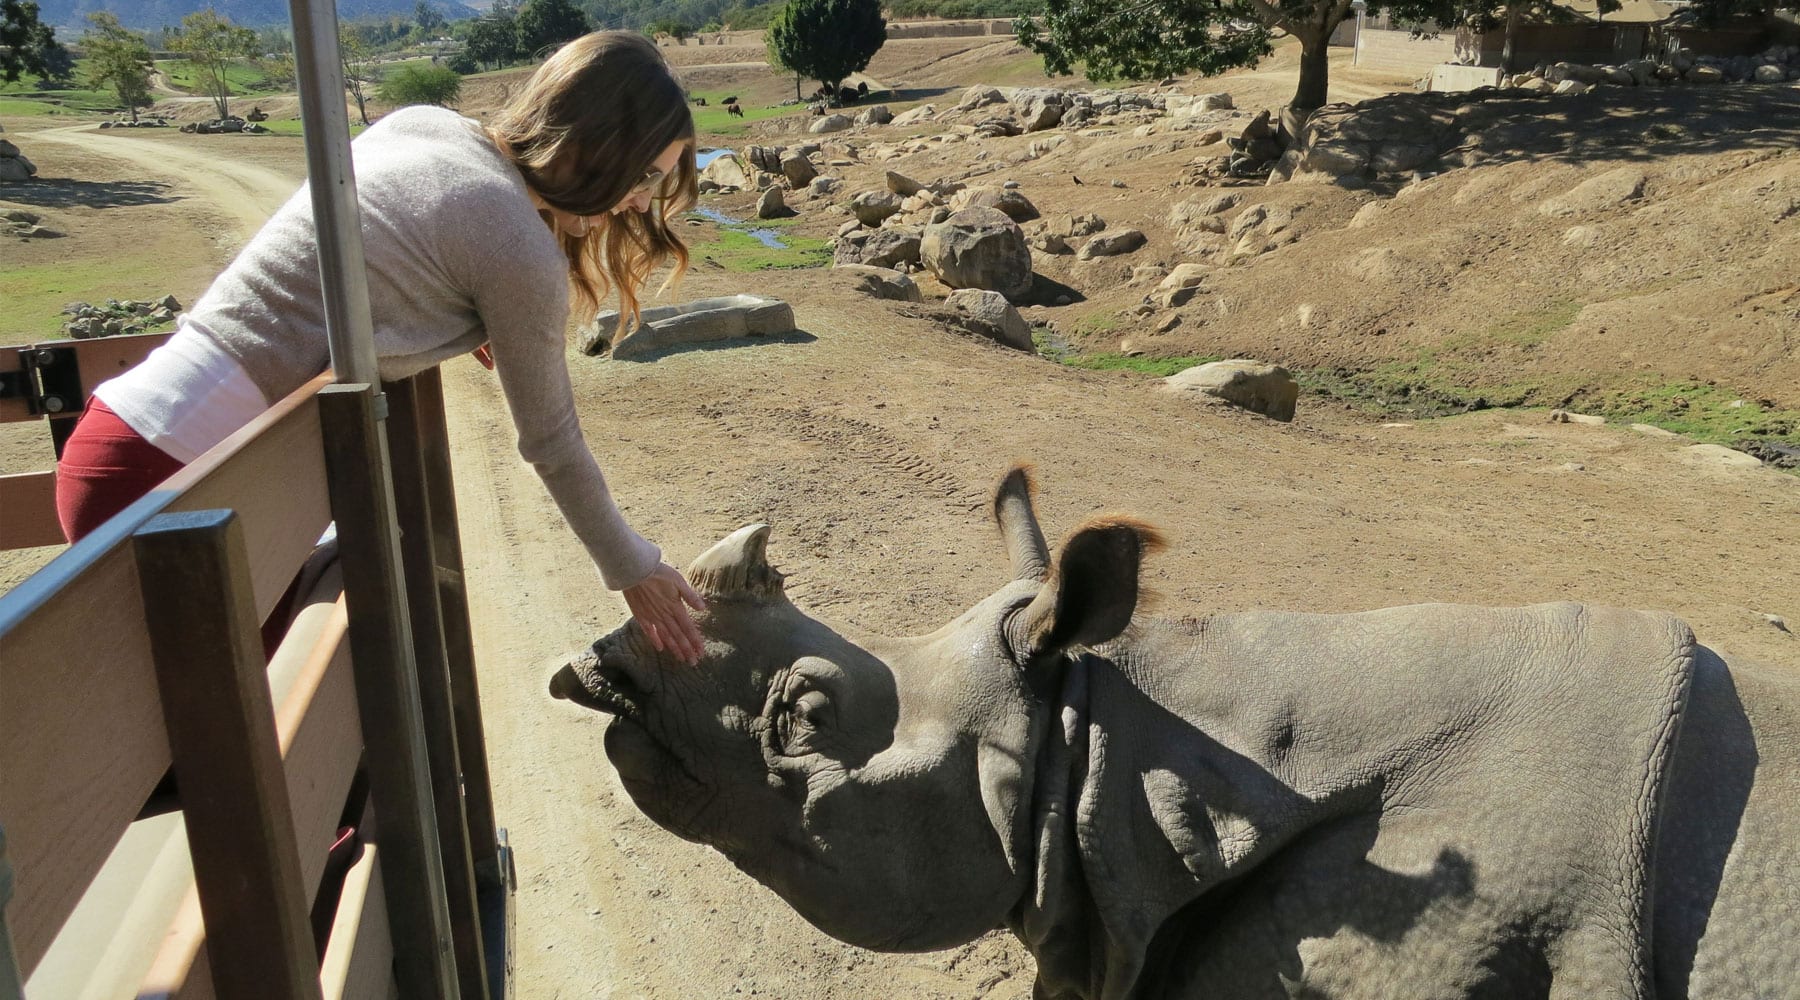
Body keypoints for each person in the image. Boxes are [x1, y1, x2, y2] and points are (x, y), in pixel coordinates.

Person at [53, 31, 708, 663]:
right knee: (270, 744)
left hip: (123, 442)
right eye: (645, 173)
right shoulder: (514, 244)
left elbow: (390, 264)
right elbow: (550, 439)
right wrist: (632, 567)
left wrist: (464, 323)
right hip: (176, 487)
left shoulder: (428, 126)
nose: (640, 202)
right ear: (599, 141)